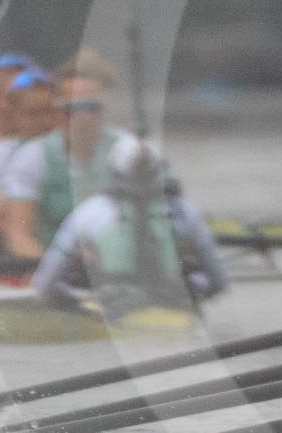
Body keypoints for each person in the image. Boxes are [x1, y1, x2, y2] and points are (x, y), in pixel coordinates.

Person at [29, 134, 232, 312]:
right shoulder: (185, 212)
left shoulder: (90, 212)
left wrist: (70, 300)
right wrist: (196, 291)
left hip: (111, 307)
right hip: (173, 307)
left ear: (113, 172)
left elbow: (44, 284)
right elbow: (219, 283)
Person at [0, 60, 130, 260]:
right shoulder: (33, 157)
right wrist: (53, 270)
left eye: (92, 108)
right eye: (73, 110)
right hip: (55, 272)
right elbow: (18, 236)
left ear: (105, 110)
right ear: (57, 111)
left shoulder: (130, 152)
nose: (84, 118)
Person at [0, 67, 58, 249]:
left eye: (49, 112)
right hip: (19, 260)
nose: (44, 121)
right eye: (33, 114)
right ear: (15, 116)